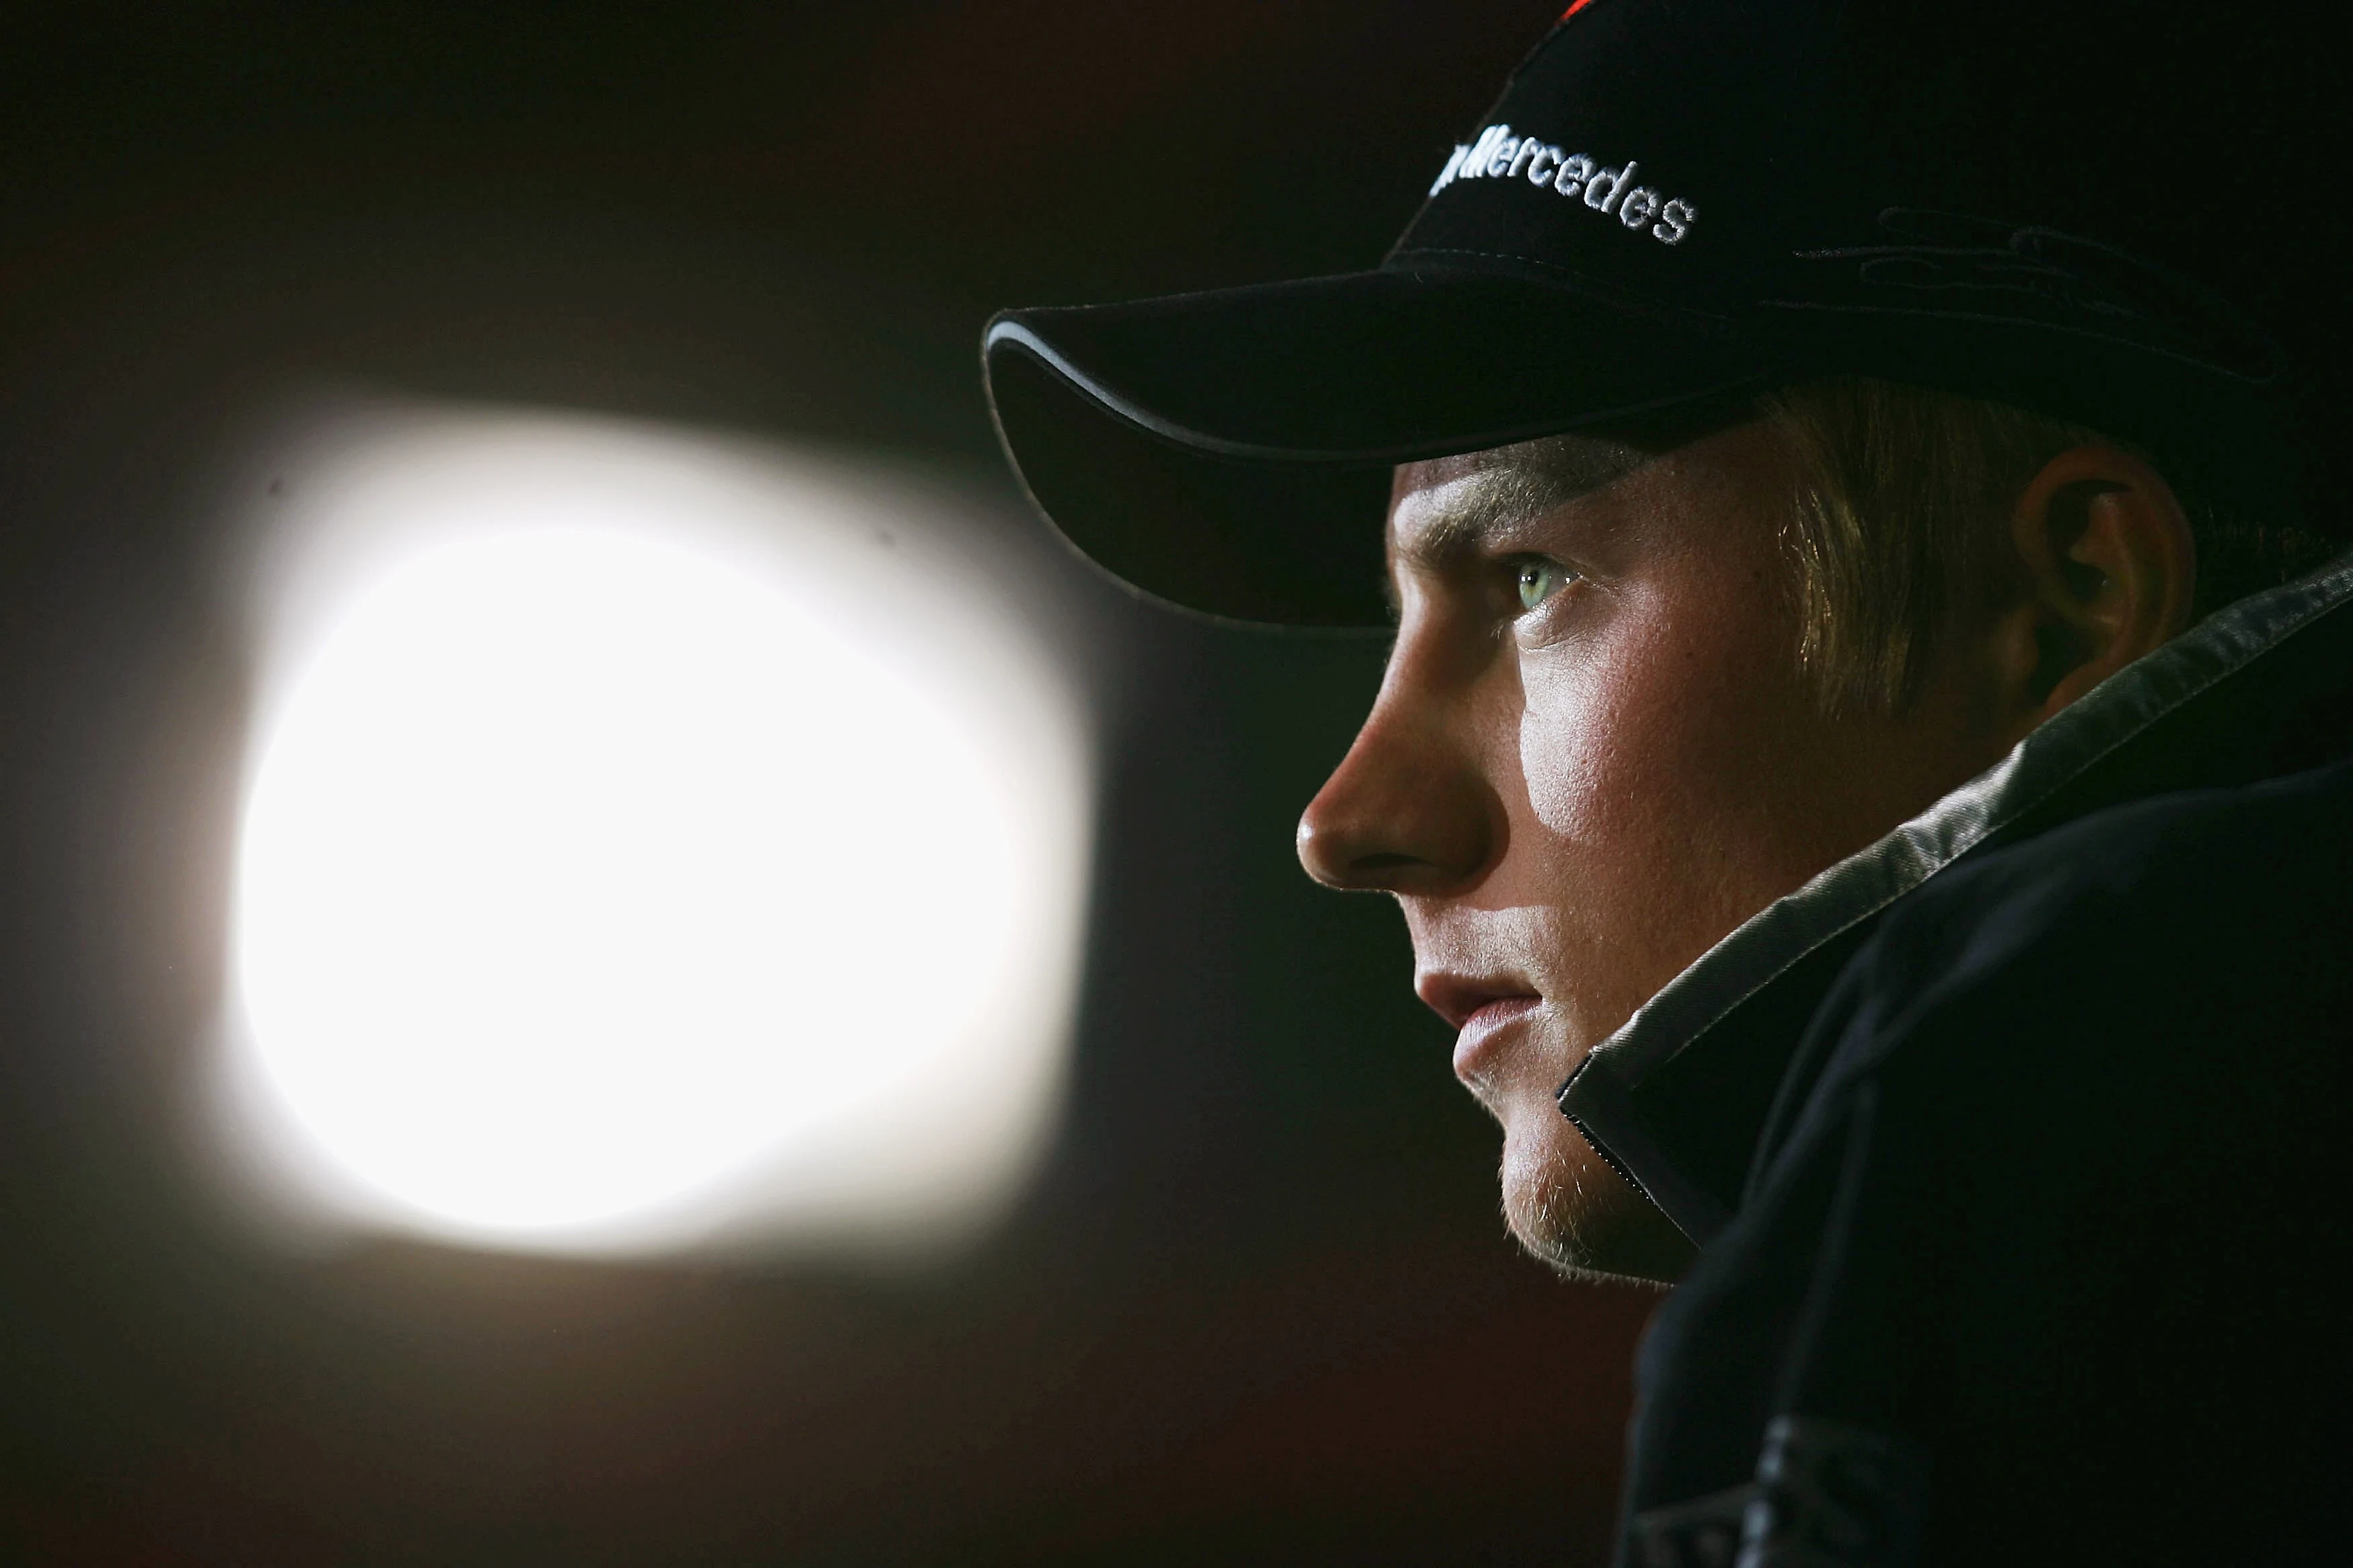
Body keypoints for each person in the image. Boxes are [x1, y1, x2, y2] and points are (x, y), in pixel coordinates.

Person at [984, 1, 2352, 1561]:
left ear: (2059, 606)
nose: (1346, 821)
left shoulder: (2052, 1301)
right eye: (1397, 624)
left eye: (1527, 579)